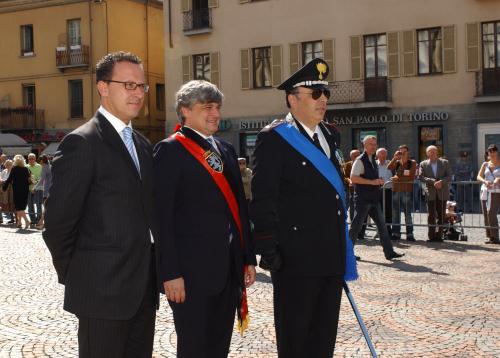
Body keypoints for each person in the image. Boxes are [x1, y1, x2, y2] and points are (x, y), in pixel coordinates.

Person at [42, 51, 158, 358]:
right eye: (128, 85)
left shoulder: (144, 146)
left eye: (141, 86)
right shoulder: (82, 142)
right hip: (101, 292)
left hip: (143, 292)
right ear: (103, 87)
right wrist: (82, 275)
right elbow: (57, 226)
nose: (137, 93)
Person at [251, 58, 358, 358]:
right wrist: (269, 251)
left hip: (330, 255)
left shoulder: (330, 135)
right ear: (292, 99)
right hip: (295, 258)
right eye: (315, 93)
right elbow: (263, 198)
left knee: (323, 339)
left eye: (325, 93)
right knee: (296, 339)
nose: (323, 99)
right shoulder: (274, 138)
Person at [153, 80, 256, 358]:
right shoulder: (170, 150)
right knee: (195, 347)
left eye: (218, 107)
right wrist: (170, 273)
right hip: (190, 274)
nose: (215, 114)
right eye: (207, 107)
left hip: (228, 269)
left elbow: (239, 209)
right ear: (185, 110)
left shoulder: (226, 150)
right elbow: (162, 219)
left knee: (219, 346)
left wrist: (247, 258)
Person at [349, 135, 404, 260]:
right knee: (355, 228)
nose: (374, 147)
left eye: (375, 144)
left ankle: (389, 253)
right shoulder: (360, 160)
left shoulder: (372, 158)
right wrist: (373, 182)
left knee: (382, 226)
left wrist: (377, 181)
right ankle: (347, 254)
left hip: (373, 199)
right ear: (364, 145)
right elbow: (353, 178)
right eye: (371, 144)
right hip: (363, 200)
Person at [419, 145, 451, 242]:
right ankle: (431, 236)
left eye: (434, 151)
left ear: (437, 152)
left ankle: (439, 236)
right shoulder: (423, 164)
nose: (432, 153)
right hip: (430, 193)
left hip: (442, 192)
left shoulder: (445, 163)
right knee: (431, 215)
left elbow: (449, 176)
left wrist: (441, 182)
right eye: (430, 152)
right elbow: (421, 177)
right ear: (427, 153)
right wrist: (433, 181)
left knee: (441, 215)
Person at [388, 145, 416, 241]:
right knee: (395, 213)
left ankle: (409, 234)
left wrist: (397, 178)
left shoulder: (412, 163)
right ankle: (396, 233)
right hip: (396, 190)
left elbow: (411, 176)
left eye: (404, 152)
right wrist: (394, 158)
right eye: (400, 152)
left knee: (407, 213)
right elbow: (389, 167)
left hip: (406, 191)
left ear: (408, 152)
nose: (402, 154)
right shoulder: (397, 162)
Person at [477, 144, 500, 244]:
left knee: (491, 213)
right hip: (485, 191)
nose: (492, 153)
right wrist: (485, 181)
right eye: (490, 151)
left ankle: (495, 236)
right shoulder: (485, 164)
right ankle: (490, 236)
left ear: (497, 152)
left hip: (496, 191)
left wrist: (498, 179)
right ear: (488, 153)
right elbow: (478, 176)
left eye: (494, 151)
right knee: (486, 214)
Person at [2, 154, 31, 229]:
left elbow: (9, 179)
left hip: (17, 190)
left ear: (15, 161)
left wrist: (4, 188)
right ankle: (19, 222)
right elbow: (29, 181)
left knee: (19, 207)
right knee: (21, 207)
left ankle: (26, 221)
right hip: (25, 190)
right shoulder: (26, 169)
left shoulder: (14, 169)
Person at [343, 149, 367, 240]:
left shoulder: (363, 163)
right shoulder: (348, 164)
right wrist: (349, 180)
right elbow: (344, 175)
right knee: (351, 209)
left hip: (362, 190)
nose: (357, 156)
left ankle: (359, 231)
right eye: (355, 155)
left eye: (358, 154)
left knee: (359, 211)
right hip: (351, 190)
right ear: (351, 156)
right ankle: (352, 231)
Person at [376, 147, 393, 237]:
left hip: (388, 190)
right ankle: (380, 230)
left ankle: (388, 229)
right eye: (381, 153)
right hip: (377, 190)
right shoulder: (374, 164)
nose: (383, 155)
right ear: (377, 155)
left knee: (388, 210)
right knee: (378, 210)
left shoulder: (391, 164)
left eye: (384, 153)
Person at [35, 155, 52, 230]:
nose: (39, 162)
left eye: (39, 160)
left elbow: (42, 179)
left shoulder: (44, 167)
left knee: (46, 207)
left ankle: (42, 223)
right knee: (47, 207)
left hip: (47, 190)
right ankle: (41, 222)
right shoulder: (50, 166)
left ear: (42, 161)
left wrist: (35, 187)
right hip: (52, 189)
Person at [27, 153, 43, 226]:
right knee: (30, 205)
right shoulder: (26, 166)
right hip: (29, 189)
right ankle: (32, 220)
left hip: (38, 188)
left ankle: (39, 219)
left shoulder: (39, 166)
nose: (31, 160)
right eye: (29, 158)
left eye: (32, 158)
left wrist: (35, 185)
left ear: (35, 159)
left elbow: (41, 178)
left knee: (38, 204)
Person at [0, 159, 16, 224]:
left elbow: (13, 180)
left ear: (12, 165)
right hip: (4, 189)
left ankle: (13, 218)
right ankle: (1, 219)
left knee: (11, 203)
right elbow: (0, 178)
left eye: (9, 164)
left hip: (11, 189)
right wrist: (2, 181)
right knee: (3, 203)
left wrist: (6, 181)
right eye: (6, 164)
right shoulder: (4, 171)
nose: (7, 166)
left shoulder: (14, 171)